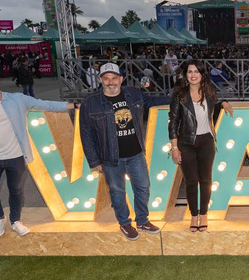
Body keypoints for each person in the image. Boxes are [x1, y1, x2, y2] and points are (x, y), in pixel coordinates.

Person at [0, 67, 78, 238]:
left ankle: (15, 221)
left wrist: (73, 105)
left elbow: (45, 104)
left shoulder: (17, 99)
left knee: (16, 190)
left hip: (15, 156)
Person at [79, 63, 171, 241]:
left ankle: (143, 220)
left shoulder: (133, 94)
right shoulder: (90, 103)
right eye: (106, 78)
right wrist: (94, 161)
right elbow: (86, 133)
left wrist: (177, 98)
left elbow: (152, 101)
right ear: (100, 80)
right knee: (117, 192)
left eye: (114, 78)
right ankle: (125, 223)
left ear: (121, 79)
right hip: (110, 158)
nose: (110, 82)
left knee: (143, 188)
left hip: (136, 153)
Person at [168, 60, 233, 232]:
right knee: (191, 181)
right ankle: (193, 215)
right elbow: (173, 122)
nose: (193, 75)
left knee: (206, 180)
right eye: (190, 72)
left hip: (206, 142)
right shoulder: (179, 95)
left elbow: (215, 105)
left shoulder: (209, 92)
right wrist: (174, 148)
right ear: (186, 75)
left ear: (203, 74)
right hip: (186, 143)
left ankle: (203, 214)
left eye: (197, 71)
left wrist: (223, 102)